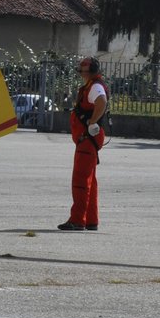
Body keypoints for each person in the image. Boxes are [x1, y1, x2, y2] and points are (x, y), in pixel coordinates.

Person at [60, 56, 107, 231]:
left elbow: (101, 101)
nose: (80, 72)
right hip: (88, 139)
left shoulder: (95, 86)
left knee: (80, 180)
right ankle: (90, 220)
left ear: (89, 71)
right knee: (90, 181)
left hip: (87, 139)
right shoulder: (93, 85)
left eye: (82, 69)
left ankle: (77, 220)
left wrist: (92, 122)